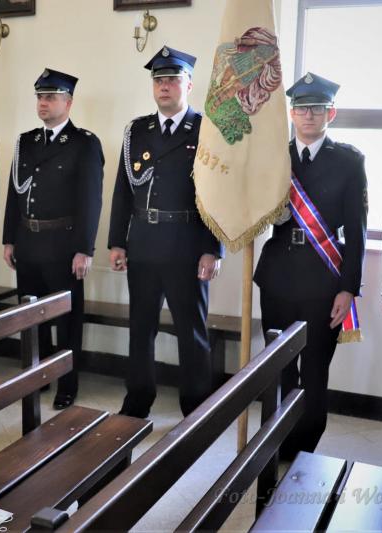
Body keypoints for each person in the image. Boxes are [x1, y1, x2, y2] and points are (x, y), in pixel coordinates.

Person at [254, 72, 367, 460]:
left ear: (330, 113)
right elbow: (255, 211)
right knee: (280, 367)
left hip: (324, 281)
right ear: (291, 112)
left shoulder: (349, 161)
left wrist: (348, 288)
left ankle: (307, 445)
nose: (308, 115)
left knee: (315, 370)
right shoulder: (275, 158)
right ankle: (281, 441)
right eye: (301, 108)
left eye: (317, 108)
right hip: (278, 277)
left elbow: (357, 232)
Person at [108, 46, 224, 419]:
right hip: (143, 243)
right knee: (141, 329)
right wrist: (116, 241)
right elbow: (123, 190)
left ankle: (196, 405)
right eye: (159, 79)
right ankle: (138, 399)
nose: (164, 86)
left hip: (187, 246)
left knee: (191, 332)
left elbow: (216, 195)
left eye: (173, 79)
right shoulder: (136, 131)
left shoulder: (205, 130)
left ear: (188, 85)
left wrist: (213, 248)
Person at [2, 68, 104, 410]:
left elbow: (91, 201)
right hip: (28, 242)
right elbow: (14, 194)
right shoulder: (26, 141)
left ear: (68, 102)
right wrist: (9, 239)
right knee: (32, 317)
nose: (43, 103)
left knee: (66, 320)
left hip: (64, 245)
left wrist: (84, 249)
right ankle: (39, 375)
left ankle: (67, 383)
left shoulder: (84, 143)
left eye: (50, 97)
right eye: (40, 97)